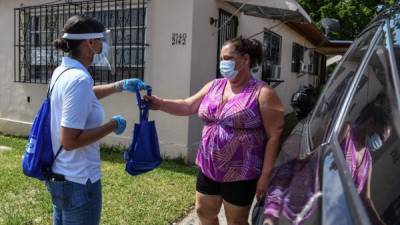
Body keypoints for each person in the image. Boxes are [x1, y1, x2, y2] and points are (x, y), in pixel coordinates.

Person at [145, 36, 284, 225]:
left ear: (245, 59)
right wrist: (160, 104)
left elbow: (274, 135)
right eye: (221, 58)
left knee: (236, 221)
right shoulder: (214, 86)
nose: (222, 63)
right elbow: (187, 106)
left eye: (227, 58)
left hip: (241, 172)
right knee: (203, 213)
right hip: (208, 166)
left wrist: (266, 175)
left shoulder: (263, 93)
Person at [47, 15, 149, 225]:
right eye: (100, 40)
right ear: (90, 43)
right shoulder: (79, 79)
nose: (103, 45)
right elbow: (70, 141)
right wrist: (111, 125)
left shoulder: (63, 72)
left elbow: (83, 97)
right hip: (80, 182)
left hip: (62, 176)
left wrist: (118, 86)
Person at [338, 97, 391, 225]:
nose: (379, 143)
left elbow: (365, 198)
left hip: (339, 216)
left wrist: (378, 222)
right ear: (371, 123)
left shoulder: (368, 161)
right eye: (380, 137)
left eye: (383, 142)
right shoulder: (347, 132)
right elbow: (324, 156)